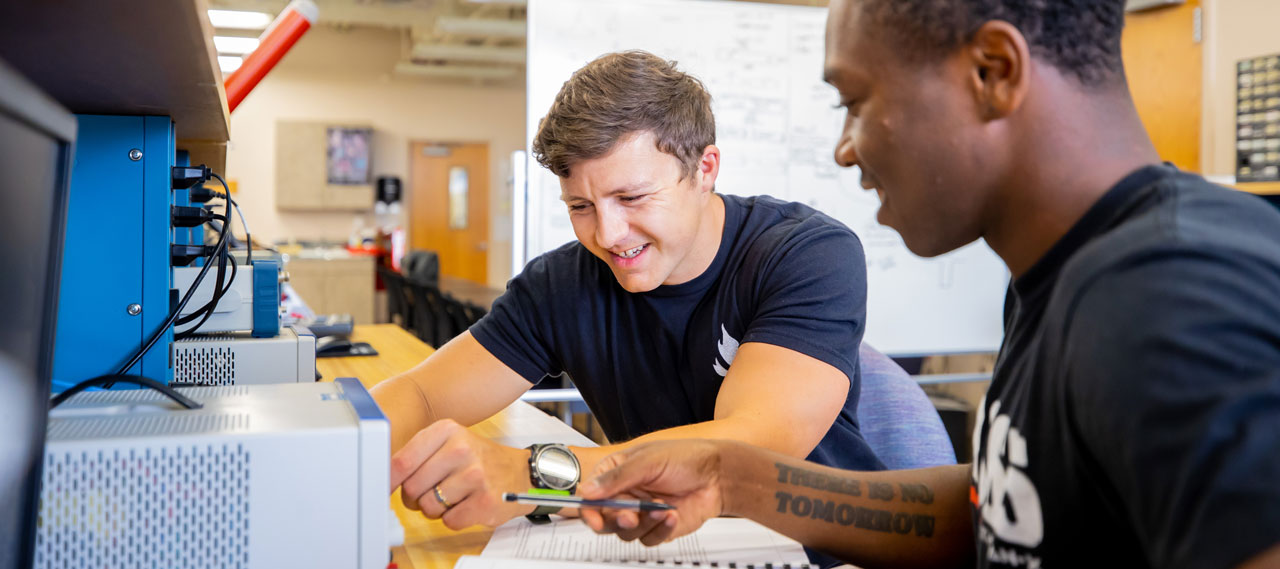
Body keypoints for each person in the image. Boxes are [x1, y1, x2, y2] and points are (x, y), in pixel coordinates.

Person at [576, 1, 1280, 568]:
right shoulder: (1066, 275)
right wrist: (734, 477)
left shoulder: (1166, 295)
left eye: (854, 101)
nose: (843, 148)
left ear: (993, 71)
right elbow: (1005, 509)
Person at [370, 50, 887, 531]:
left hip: (810, 546)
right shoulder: (560, 285)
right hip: (662, 541)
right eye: (580, 207)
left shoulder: (806, 254)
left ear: (704, 170)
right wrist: (337, 456)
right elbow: (421, 393)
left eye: (632, 196)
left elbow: (751, 442)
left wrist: (539, 475)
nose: (608, 235)